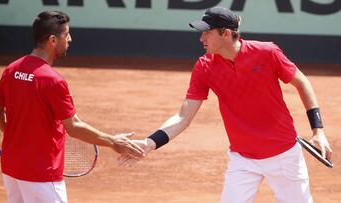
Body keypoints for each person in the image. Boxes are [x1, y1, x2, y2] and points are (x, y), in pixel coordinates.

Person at [119, 6, 332, 203]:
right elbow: (183, 117)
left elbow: (302, 82)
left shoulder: (267, 53)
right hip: (243, 160)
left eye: (207, 32)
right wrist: (150, 143)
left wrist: (318, 131)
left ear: (226, 33)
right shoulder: (204, 67)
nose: (201, 38)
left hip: (284, 156)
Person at [0, 11, 144, 203]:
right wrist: (113, 142)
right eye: (66, 34)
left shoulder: (12, 69)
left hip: (12, 168)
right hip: (41, 175)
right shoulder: (53, 81)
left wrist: (15, 139)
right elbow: (74, 126)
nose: (70, 39)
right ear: (53, 40)